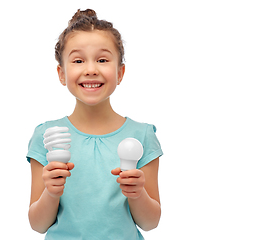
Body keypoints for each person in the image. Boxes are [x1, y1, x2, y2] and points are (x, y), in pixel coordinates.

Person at [27, 9, 163, 240]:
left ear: (120, 73)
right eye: (78, 60)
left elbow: (150, 223)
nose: (91, 69)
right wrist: (51, 192)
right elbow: (38, 225)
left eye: (102, 60)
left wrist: (138, 193)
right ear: (62, 74)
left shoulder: (141, 135)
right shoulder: (46, 135)